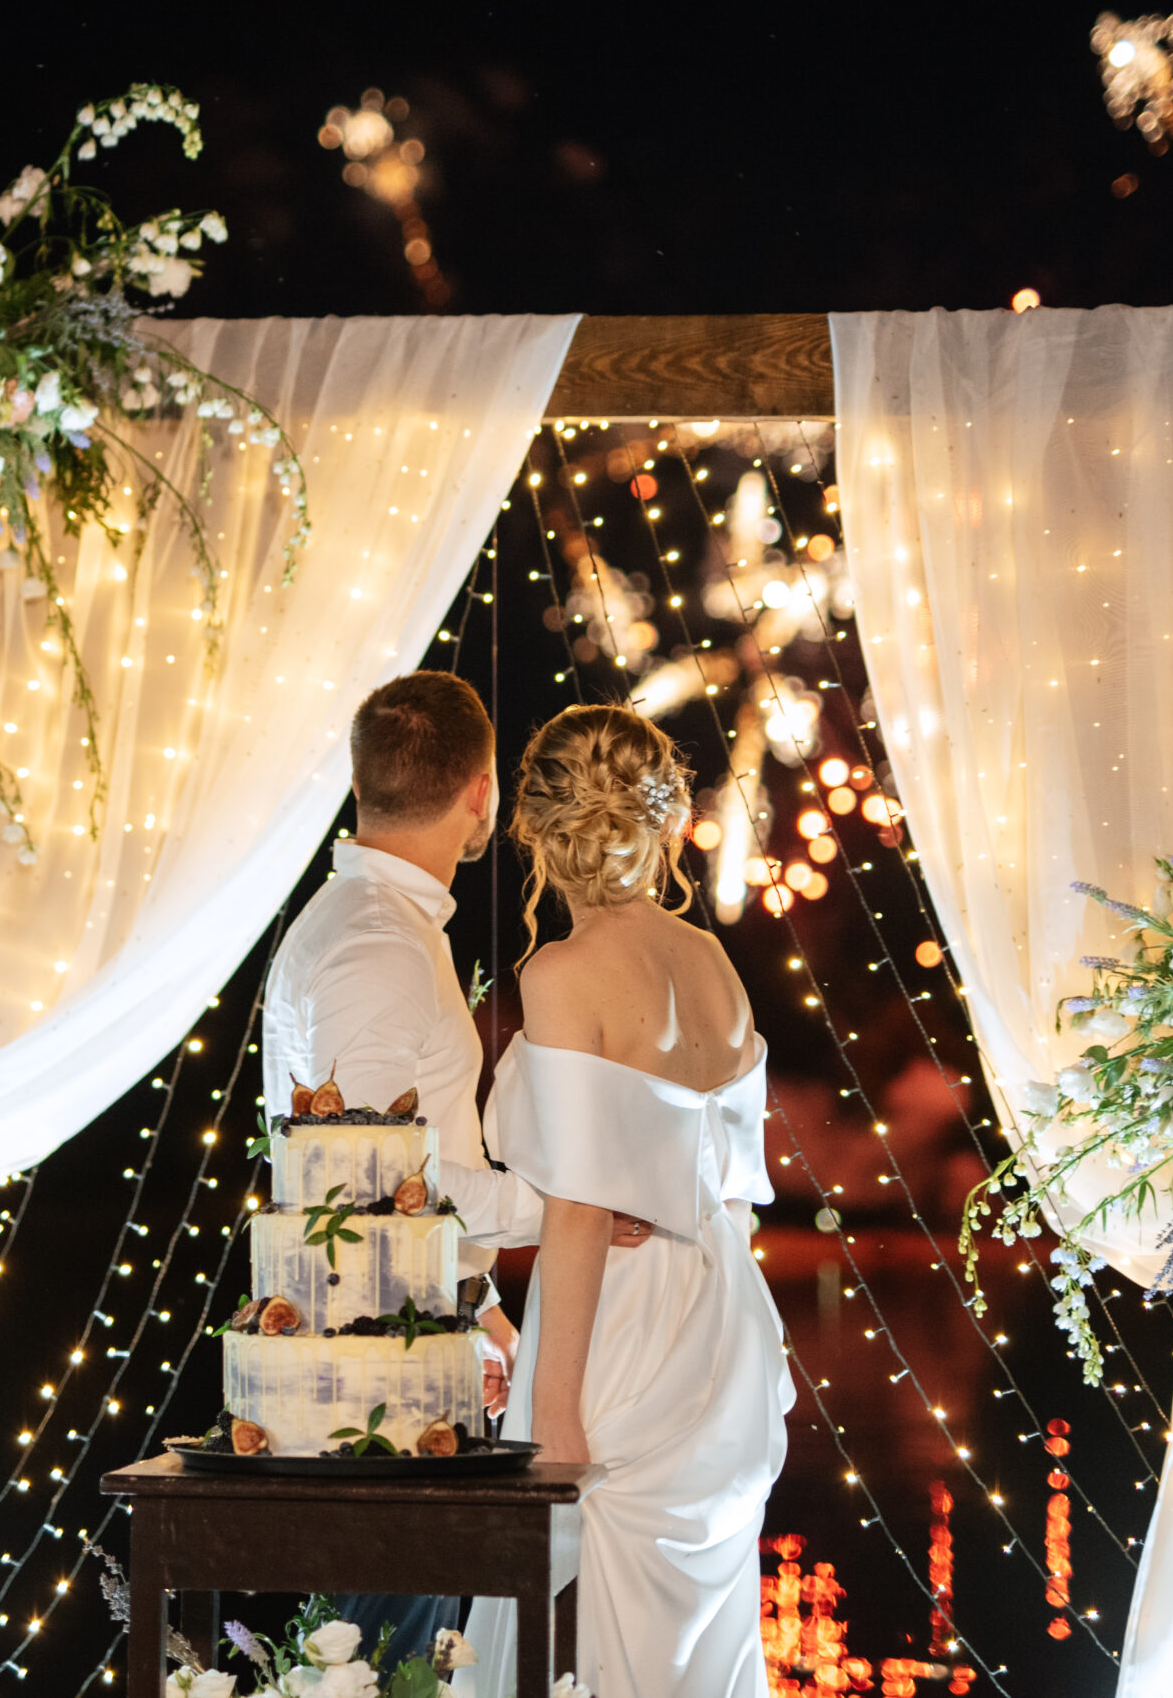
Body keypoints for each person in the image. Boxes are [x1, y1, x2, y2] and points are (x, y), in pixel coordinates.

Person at [262, 673, 652, 1656]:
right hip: (369, 1389)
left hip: (418, 1353)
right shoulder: (371, 948)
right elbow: (363, 1184)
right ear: (481, 789)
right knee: (383, 1658)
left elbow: (407, 1165)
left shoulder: (383, 926)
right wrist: (573, 1206)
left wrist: (482, 1318)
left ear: (362, 781)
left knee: (410, 1654)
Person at [461, 704, 794, 1698]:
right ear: (663, 820)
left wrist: (553, 1415)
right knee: (701, 1634)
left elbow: (577, 1210)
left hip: (624, 1323)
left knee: (585, 1625)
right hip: (727, 1320)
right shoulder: (714, 962)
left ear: (536, 827)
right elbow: (735, 1195)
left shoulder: (560, 973)